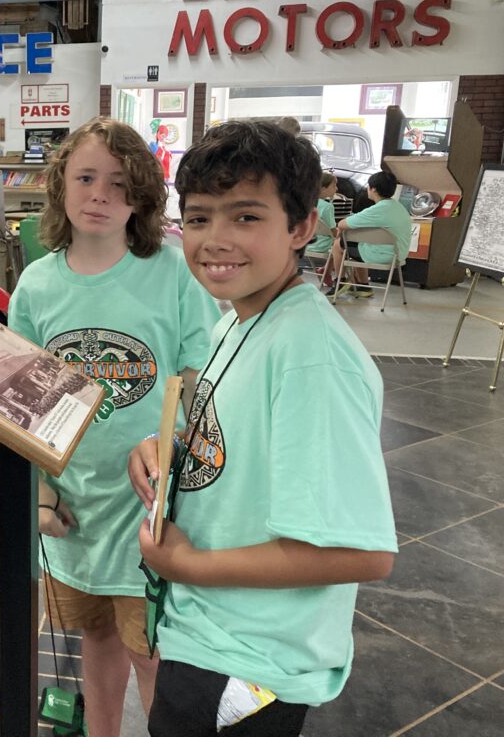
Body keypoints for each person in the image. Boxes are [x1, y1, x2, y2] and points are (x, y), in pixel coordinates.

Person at [127, 120, 397, 737]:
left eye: (245, 217)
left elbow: (362, 551)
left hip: (245, 664)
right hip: (208, 633)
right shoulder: (241, 320)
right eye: (198, 218)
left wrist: (190, 565)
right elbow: (239, 439)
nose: (215, 240)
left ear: (301, 226)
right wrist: (165, 447)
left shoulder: (309, 352)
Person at [8, 117, 219, 737]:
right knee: (94, 635)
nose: (100, 195)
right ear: (60, 186)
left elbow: (201, 377)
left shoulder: (172, 273)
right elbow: (18, 399)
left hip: (148, 506)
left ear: (143, 199)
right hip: (71, 505)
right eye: (86, 178)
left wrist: (176, 449)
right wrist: (38, 489)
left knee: (150, 649)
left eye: (120, 184)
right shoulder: (37, 284)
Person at [328, 170, 411, 299]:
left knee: (339, 244)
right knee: (358, 244)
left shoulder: (377, 210)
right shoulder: (398, 207)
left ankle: (340, 280)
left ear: (374, 189)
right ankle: (362, 285)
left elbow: (342, 224)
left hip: (382, 256)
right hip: (399, 255)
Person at [310, 172, 338, 285]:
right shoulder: (327, 207)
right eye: (333, 186)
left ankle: (325, 270)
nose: (336, 188)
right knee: (340, 244)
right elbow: (333, 231)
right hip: (322, 244)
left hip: (308, 243)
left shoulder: (307, 203)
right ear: (323, 188)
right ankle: (330, 273)